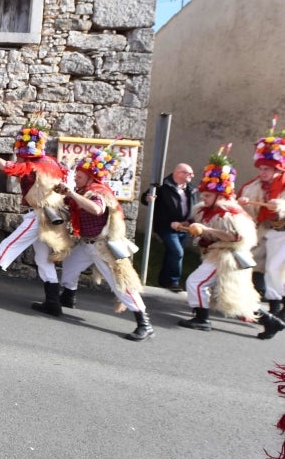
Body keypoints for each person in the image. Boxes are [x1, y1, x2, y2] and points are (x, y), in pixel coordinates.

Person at [175, 146, 285, 339]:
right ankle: (271, 321)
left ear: (220, 195)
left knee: (196, 283)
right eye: (203, 194)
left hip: (226, 257)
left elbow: (236, 237)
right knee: (234, 296)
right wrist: (184, 225)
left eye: (208, 195)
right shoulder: (206, 209)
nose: (203, 198)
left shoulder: (230, 213)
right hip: (217, 255)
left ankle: (202, 319)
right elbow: (196, 221)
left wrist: (207, 231)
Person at [0, 117, 73, 312]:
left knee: (10, 244)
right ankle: (53, 303)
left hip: (38, 216)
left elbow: (10, 167)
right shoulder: (51, 162)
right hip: (49, 215)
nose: (17, 158)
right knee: (43, 259)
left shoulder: (32, 166)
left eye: (19, 154)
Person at [56, 147, 153, 341]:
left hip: (102, 247)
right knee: (70, 266)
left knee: (120, 283)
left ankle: (144, 323)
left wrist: (72, 194)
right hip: (86, 244)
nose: (76, 179)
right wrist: (64, 194)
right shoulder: (85, 191)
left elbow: (96, 209)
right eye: (76, 176)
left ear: (91, 177)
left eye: (80, 176)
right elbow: (74, 206)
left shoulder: (98, 192)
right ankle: (68, 297)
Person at [237, 124, 285, 318]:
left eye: (267, 169)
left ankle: (276, 307)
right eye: (261, 168)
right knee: (254, 263)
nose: (263, 172)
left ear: (277, 168)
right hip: (265, 231)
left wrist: (281, 206)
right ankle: (268, 306)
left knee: (275, 268)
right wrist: (244, 203)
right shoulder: (254, 186)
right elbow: (248, 211)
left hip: (283, 233)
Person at [141, 163, 198, 291]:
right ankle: (172, 282)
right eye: (189, 173)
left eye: (192, 173)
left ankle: (164, 281)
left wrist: (190, 222)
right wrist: (148, 198)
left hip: (184, 228)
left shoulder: (191, 189)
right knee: (177, 252)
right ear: (178, 173)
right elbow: (145, 198)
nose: (192, 176)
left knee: (173, 253)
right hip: (166, 227)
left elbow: (194, 207)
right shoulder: (162, 186)